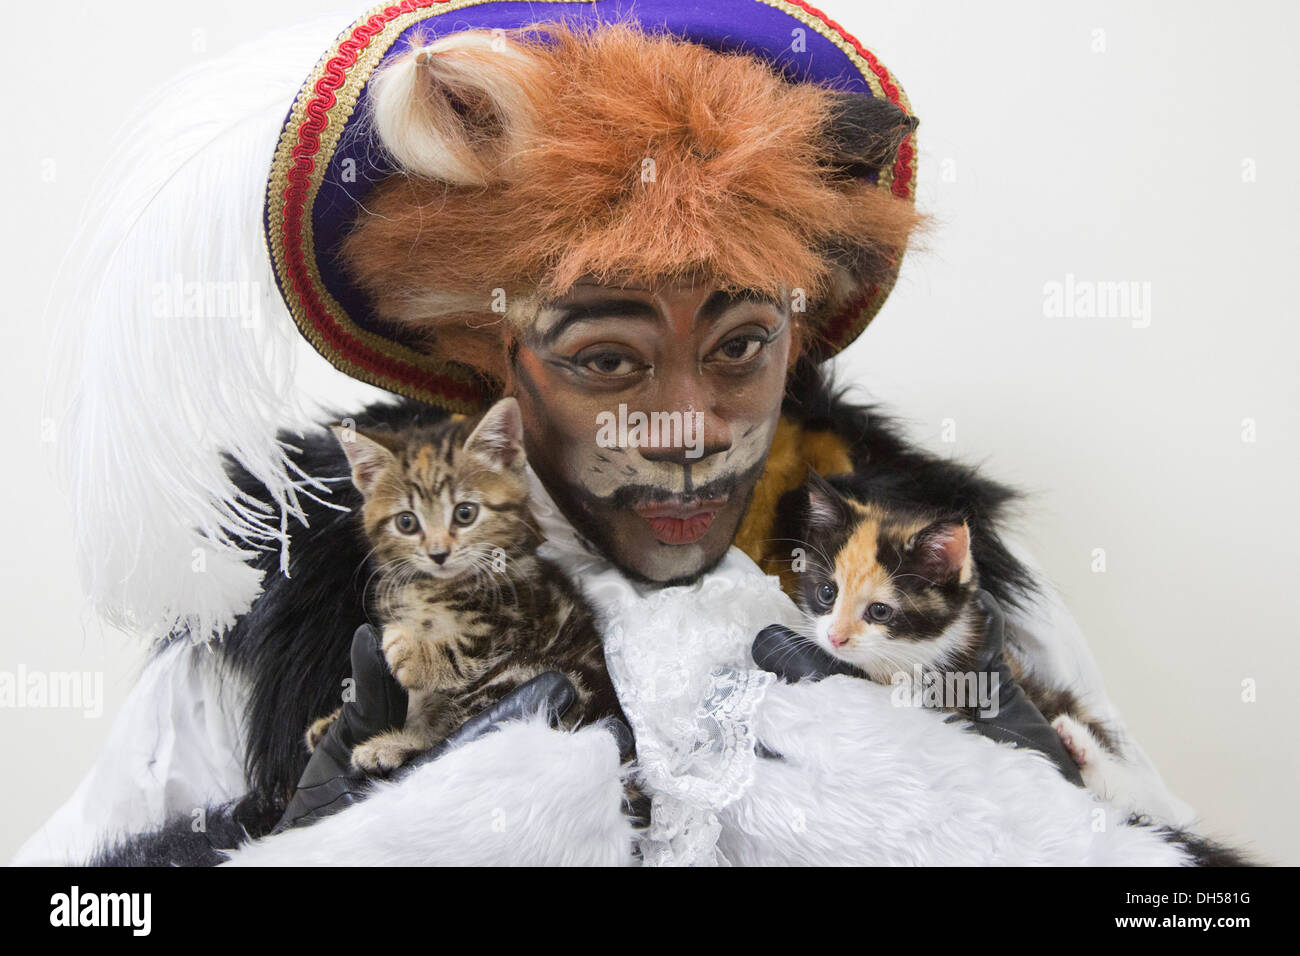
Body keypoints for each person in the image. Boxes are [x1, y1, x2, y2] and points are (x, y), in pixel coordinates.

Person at [16, 0, 1206, 867]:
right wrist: (272, 851)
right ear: (487, 360)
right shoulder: (301, 603)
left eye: (739, 346)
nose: (686, 427)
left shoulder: (939, 583)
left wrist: (1055, 819)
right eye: (604, 359)